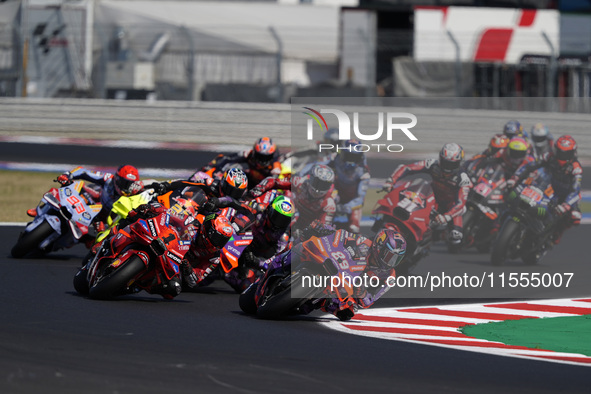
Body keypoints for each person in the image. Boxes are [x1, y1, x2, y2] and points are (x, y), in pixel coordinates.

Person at [295, 227, 407, 321]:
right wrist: (325, 229)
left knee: (346, 313)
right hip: (335, 266)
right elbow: (340, 235)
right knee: (305, 241)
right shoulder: (362, 242)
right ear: (379, 247)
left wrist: (362, 293)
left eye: (395, 259)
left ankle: (312, 301)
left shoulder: (390, 276)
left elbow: (370, 300)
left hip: (346, 289)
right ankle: (280, 260)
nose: (390, 262)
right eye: (388, 256)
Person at [387, 143, 472, 246]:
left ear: (459, 163)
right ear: (440, 159)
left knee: (456, 237)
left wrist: (447, 217)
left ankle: (437, 236)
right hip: (431, 199)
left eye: (451, 164)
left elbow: (460, 204)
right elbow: (407, 168)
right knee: (419, 186)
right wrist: (391, 180)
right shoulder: (432, 164)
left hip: (450, 206)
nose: (447, 168)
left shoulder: (463, 179)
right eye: (445, 163)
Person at [507, 135, 582, 244]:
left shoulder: (576, 168)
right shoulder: (548, 156)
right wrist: (515, 177)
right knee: (519, 191)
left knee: (575, 217)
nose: (561, 156)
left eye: (565, 154)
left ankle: (557, 233)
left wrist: (566, 205)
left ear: (573, 154)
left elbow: (575, 189)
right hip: (548, 185)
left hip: (565, 194)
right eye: (559, 153)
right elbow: (530, 166)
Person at [223, 195, 294, 292]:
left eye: (284, 220)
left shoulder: (282, 236)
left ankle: (225, 274)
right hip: (235, 240)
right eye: (277, 217)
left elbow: (278, 259)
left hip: (253, 256)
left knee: (246, 286)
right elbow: (236, 207)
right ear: (270, 210)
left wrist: (256, 261)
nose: (279, 223)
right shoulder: (259, 209)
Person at [320, 139, 371, 233]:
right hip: (335, 196)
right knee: (323, 224)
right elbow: (317, 167)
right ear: (342, 153)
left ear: (360, 157)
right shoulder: (334, 158)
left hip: (353, 201)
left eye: (354, 157)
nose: (350, 160)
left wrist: (345, 207)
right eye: (348, 156)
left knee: (354, 228)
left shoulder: (364, 172)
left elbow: (359, 198)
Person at [192, 137, 282, 188]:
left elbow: (273, 182)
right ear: (254, 151)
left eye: (266, 157)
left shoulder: (275, 166)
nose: (262, 159)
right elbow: (226, 158)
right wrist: (214, 167)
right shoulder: (248, 154)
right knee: (236, 168)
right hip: (249, 182)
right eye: (260, 156)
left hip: (263, 188)